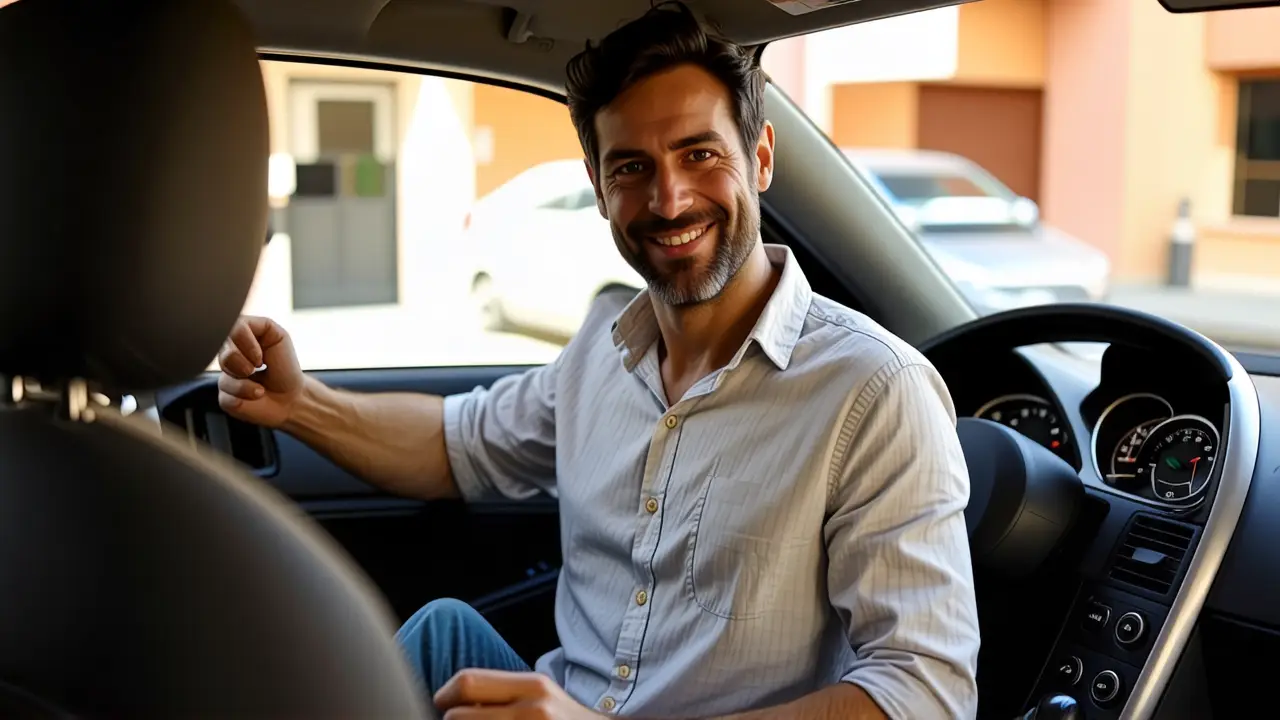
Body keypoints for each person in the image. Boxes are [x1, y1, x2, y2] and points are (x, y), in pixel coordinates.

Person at [217, 3, 980, 718]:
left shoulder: (876, 390)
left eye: (699, 153)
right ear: (599, 184)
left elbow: (924, 693)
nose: (669, 200)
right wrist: (299, 406)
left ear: (761, 157)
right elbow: (458, 445)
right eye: (631, 168)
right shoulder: (600, 353)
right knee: (443, 632)